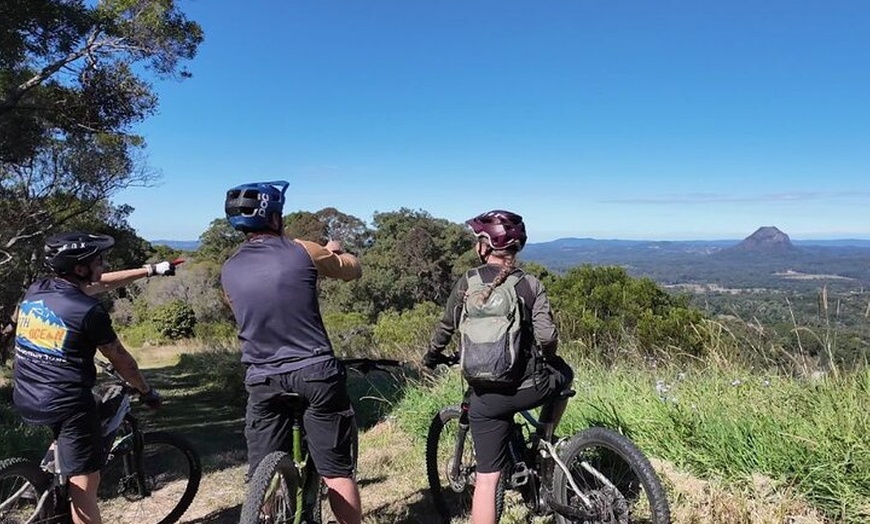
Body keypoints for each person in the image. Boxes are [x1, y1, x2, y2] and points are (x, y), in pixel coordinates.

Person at [220, 180, 363, 524]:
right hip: (315, 370)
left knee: (261, 475)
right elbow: (353, 271)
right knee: (337, 472)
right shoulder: (304, 249)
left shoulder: (229, 268)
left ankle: (264, 510)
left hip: (262, 376)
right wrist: (336, 252)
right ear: (274, 218)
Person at [423, 210, 574, 524]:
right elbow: (547, 337)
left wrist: (432, 355)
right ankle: (545, 440)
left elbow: (445, 327)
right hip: (532, 389)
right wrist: (548, 359)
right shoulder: (530, 284)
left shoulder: (467, 282)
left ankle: (536, 451)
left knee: (488, 481)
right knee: (565, 373)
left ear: (484, 245)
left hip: (487, 398)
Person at [12, 232, 163, 524]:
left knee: (78, 418)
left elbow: (101, 283)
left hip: (26, 393)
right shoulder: (88, 311)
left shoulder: (36, 289)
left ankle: (49, 480)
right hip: (65, 404)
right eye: (99, 261)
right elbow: (121, 360)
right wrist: (145, 390)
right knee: (85, 488)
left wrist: (148, 271)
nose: (103, 265)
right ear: (81, 269)